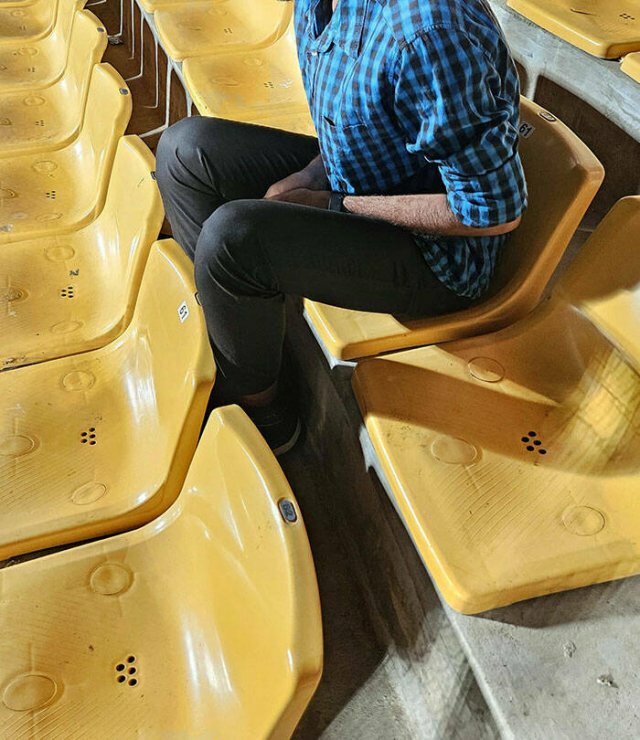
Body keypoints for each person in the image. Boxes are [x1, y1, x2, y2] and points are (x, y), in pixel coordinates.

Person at [156, 0, 527, 455]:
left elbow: (491, 211)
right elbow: (358, 126)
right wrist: (311, 176)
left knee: (233, 240)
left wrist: (335, 203)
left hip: (439, 253)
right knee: (184, 151)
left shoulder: (428, 31)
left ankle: (264, 414)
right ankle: (235, 335)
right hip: (363, 182)